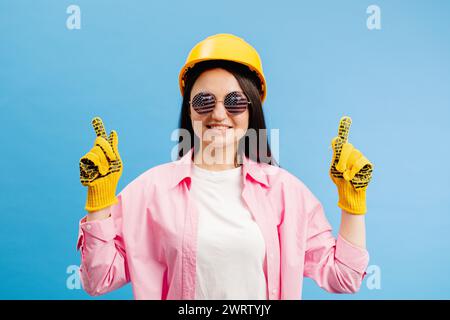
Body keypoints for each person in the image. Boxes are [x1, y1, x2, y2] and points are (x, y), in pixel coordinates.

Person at [77, 33, 373, 300]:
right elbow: (98, 280)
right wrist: (99, 202)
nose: (219, 114)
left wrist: (352, 203)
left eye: (235, 102)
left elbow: (344, 278)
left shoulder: (286, 193)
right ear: (189, 108)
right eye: (205, 101)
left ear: (252, 107)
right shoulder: (149, 192)